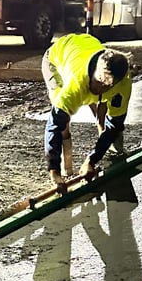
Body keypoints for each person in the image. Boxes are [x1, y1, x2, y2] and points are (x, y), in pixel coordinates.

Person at [41, 32, 132, 187]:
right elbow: (54, 125)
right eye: (99, 81)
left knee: (105, 115)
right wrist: (53, 171)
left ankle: (108, 151)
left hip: (87, 44)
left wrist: (92, 160)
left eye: (106, 85)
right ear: (96, 71)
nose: (99, 88)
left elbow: (114, 124)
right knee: (64, 120)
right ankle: (65, 170)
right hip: (56, 59)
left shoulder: (123, 84)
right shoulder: (75, 86)